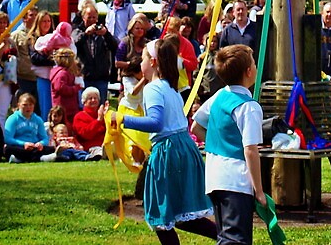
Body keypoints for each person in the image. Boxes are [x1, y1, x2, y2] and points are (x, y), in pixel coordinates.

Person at [111, 39, 217, 245]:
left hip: (168, 152)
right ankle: (229, 237)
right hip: (183, 148)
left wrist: (121, 118)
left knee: (161, 212)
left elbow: (156, 123)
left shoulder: (153, 89)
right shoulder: (171, 87)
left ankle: (228, 238)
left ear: (152, 62)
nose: (138, 62)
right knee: (181, 213)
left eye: (141, 58)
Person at [192, 44, 266, 245]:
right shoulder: (249, 107)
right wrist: (259, 190)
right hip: (236, 180)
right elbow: (250, 150)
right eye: (253, 63)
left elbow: (196, 126)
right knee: (236, 240)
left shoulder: (219, 96)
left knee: (226, 236)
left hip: (215, 176)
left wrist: (219, 143)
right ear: (249, 72)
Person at [73, 2, 117, 101]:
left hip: (101, 77)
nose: (92, 20)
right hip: (85, 76)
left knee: (101, 105)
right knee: (85, 105)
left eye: (94, 17)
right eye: (89, 17)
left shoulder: (102, 31)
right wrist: (86, 34)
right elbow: (75, 43)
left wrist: (106, 34)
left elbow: (114, 46)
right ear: (83, 17)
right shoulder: (78, 31)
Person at [4, 93, 55, 163]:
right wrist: (24, 144)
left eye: (30, 105)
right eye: (25, 105)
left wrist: (40, 144)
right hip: (20, 147)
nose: (28, 107)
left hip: (34, 147)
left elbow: (45, 138)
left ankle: (19, 159)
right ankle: (41, 158)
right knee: (8, 149)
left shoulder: (38, 119)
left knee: (51, 149)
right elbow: (8, 139)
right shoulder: (12, 119)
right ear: (19, 105)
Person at [49, 48, 82, 124]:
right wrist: (76, 88)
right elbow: (61, 88)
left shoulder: (67, 72)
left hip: (70, 107)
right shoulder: (62, 74)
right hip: (64, 108)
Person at [71, 87, 106, 153]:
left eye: (95, 98)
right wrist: (98, 121)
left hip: (104, 144)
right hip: (89, 147)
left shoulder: (103, 114)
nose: (93, 100)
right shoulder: (79, 116)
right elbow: (86, 135)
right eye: (90, 98)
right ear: (84, 102)